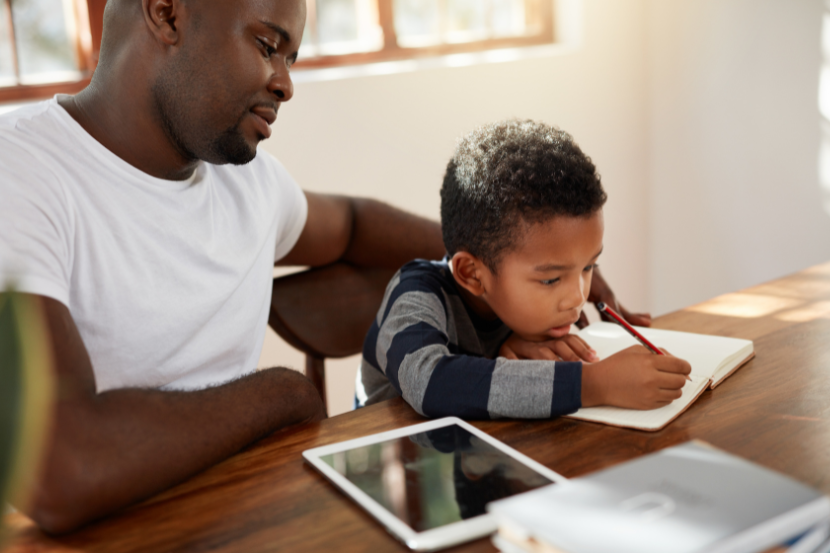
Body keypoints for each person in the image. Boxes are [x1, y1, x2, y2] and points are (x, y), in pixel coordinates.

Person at [0, 0, 645, 534]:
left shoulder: (246, 185)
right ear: (167, 13)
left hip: (251, 513)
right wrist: (284, 393)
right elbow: (61, 469)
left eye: (291, 58)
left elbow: (358, 226)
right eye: (266, 44)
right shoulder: (23, 177)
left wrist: (517, 271)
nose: (284, 82)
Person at [359, 120, 691, 418]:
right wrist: (593, 384)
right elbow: (431, 383)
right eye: (550, 279)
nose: (577, 299)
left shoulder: (526, 308)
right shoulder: (417, 294)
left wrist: (507, 358)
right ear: (472, 274)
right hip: (391, 465)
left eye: (589, 266)